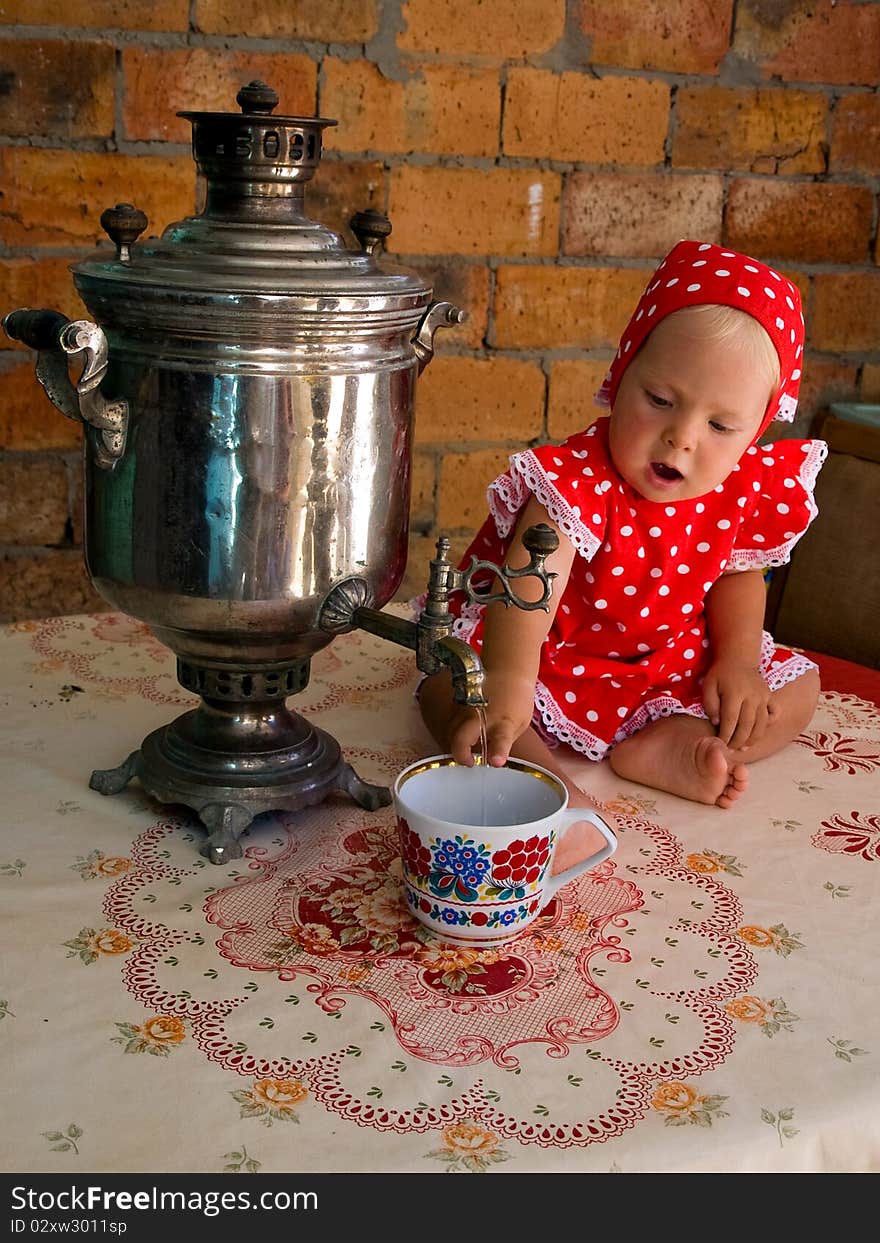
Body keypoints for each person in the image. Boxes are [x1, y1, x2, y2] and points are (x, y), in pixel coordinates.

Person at [418, 239, 827, 867]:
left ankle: (669, 746)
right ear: (622, 372)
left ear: (759, 426)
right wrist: (509, 680)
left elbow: (738, 576)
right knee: (453, 690)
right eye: (660, 400)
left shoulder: (741, 487)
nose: (682, 437)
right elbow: (530, 584)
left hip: (662, 663)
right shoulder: (577, 481)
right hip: (546, 655)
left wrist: (740, 662)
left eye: (721, 427)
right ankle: (545, 790)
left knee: (800, 690)